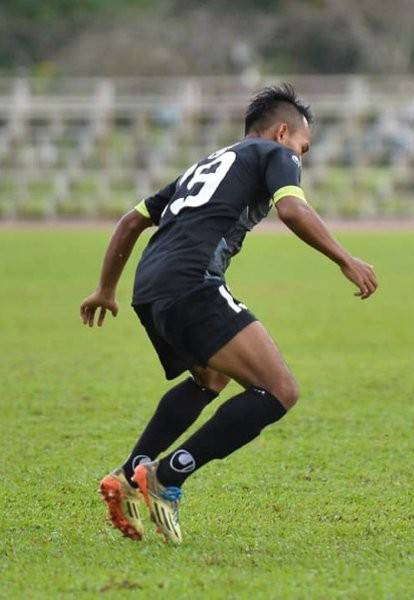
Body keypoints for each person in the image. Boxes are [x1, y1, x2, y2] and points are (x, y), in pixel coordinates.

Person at [80, 84, 378, 544]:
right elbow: (293, 210)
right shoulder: (274, 154)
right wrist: (345, 258)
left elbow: (131, 221)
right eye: (304, 147)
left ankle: (128, 474)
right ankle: (165, 478)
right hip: (193, 282)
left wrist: (105, 288)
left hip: (150, 286)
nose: (302, 157)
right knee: (279, 391)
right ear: (283, 132)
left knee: (210, 380)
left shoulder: (208, 163)